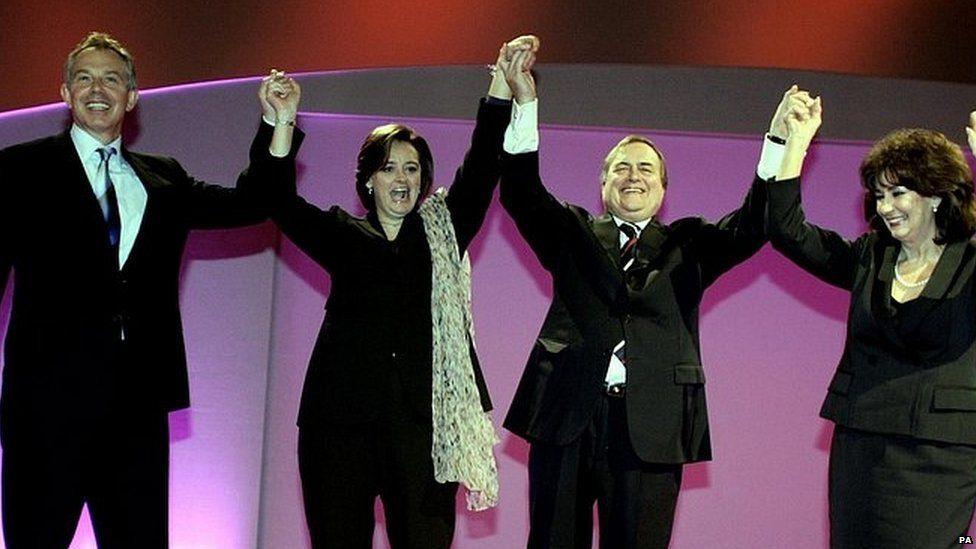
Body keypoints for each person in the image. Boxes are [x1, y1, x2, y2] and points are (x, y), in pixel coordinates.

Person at [0, 32, 299, 547]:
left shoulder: (164, 177)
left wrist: (279, 122)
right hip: (43, 414)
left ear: (132, 97)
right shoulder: (17, 170)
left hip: (136, 415)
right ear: (66, 93)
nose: (98, 89)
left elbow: (252, 203)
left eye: (111, 79)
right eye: (85, 78)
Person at [246, 36, 539, 548]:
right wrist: (282, 121)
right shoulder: (342, 234)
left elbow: (482, 167)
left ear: (424, 178)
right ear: (367, 181)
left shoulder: (443, 230)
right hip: (338, 429)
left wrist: (499, 84)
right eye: (388, 168)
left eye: (411, 168)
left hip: (425, 432)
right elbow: (276, 199)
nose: (401, 178)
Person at [497, 55, 786, 549]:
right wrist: (525, 104)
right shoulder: (574, 234)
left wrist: (778, 144)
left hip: (651, 426)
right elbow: (522, 193)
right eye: (621, 168)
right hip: (568, 416)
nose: (634, 176)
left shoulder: (688, 245)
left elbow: (753, 225)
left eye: (646, 169)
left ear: (663, 189)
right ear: (603, 184)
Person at [766, 89, 976, 547]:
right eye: (878, 195)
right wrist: (792, 143)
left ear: (937, 196)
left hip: (939, 454)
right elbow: (786, 230)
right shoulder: (870, 257)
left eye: (898, 193)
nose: (885, 207)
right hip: (860, 443)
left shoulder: (970, 261)